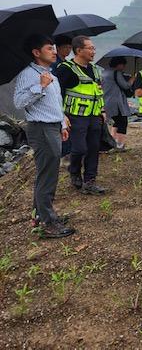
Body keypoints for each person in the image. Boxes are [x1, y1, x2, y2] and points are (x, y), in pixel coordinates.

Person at [13, 34, 75, 238]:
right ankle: (47, 223)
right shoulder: (29, 75)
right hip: (40, 129)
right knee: (47, 175)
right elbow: (19, 103)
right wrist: (40, 86)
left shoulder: (50, 74)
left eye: (54, 48)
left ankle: (41, 216)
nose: (55, 51)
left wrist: (62, 122)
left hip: (52, 127)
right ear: (36, 52)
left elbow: (53, 104)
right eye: (50, 48)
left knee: (48, 173)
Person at [56, 35, 107, 195]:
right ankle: (74, 172)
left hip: (94, 116)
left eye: (94, 48)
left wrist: (102, 111)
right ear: (79, 50)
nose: (94, 51)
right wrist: (61, 116)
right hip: (75, 116)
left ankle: (90, 181)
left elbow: (98, 92)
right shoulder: (66, 69)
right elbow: (57, 94)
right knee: (79, 149)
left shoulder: (95, 69)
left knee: (93, 148)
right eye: (90, 48)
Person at [102, 56, 134, 150]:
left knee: (117, 121)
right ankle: (119, 145)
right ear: (119, 64)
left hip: (106, 100)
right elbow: (126, 86)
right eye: (123, 65)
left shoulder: (104, 72)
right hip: (116, 102)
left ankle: (111, 143)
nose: (124, 67)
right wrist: (132, 79)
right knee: (123, 122)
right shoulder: (116, 73)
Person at [52, 35, 73, 158]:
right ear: (58, 48)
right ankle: (64, 153)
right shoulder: (55, 64)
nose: (68, 50)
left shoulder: (66, 63)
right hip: (60, 98)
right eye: (65, 47)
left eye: (70, 47)